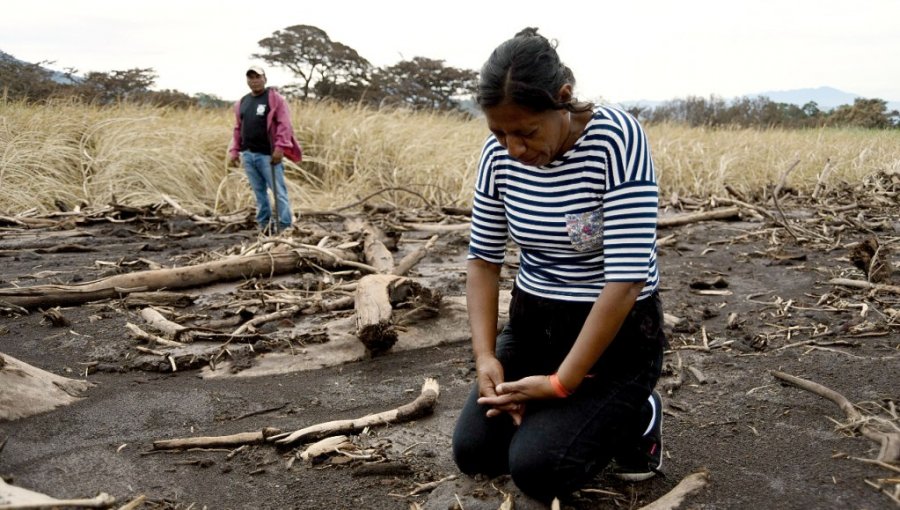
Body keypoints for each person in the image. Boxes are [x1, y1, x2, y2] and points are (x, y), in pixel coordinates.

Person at [452, 28, 668, 504]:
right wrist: (487, 357)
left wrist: (561, 383)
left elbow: (627, 279)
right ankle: (568, 416)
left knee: (539, 469)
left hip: (616, 335)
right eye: (499, 132)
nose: (513, 148)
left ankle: (639, 414)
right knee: (475, 453)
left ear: (563, 100)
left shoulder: (616, 138)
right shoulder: (499, 155)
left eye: (526, 132)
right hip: (535, 324)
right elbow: (484, 261)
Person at [228, 66, 302, 233]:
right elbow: (238, 128)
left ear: (265, 78)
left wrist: (280, 148)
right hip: (248, 154)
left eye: (257, 77)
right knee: (259, 193)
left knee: (278, 192)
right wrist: (234, 151)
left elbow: (285, 125)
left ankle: (284, 226)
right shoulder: (242, 102)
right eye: (251, 77)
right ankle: (264, 225)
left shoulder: (275, 99)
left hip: (268, 155)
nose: (254, 80)